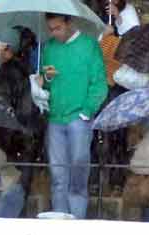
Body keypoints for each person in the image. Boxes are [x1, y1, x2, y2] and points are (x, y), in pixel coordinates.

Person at [38, 13, 108, 219]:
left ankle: (77, 222)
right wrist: (44, 81)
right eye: (50, 28)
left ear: (69, 23)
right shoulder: (49, 47)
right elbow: (48, 82)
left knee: (78, 170)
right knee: (58, 175)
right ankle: (60, 224)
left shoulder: (89, 45)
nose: (54, 32)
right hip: (55, 117)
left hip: (79, 116)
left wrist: (87, 111)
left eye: (57, 27)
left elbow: (99, 83)